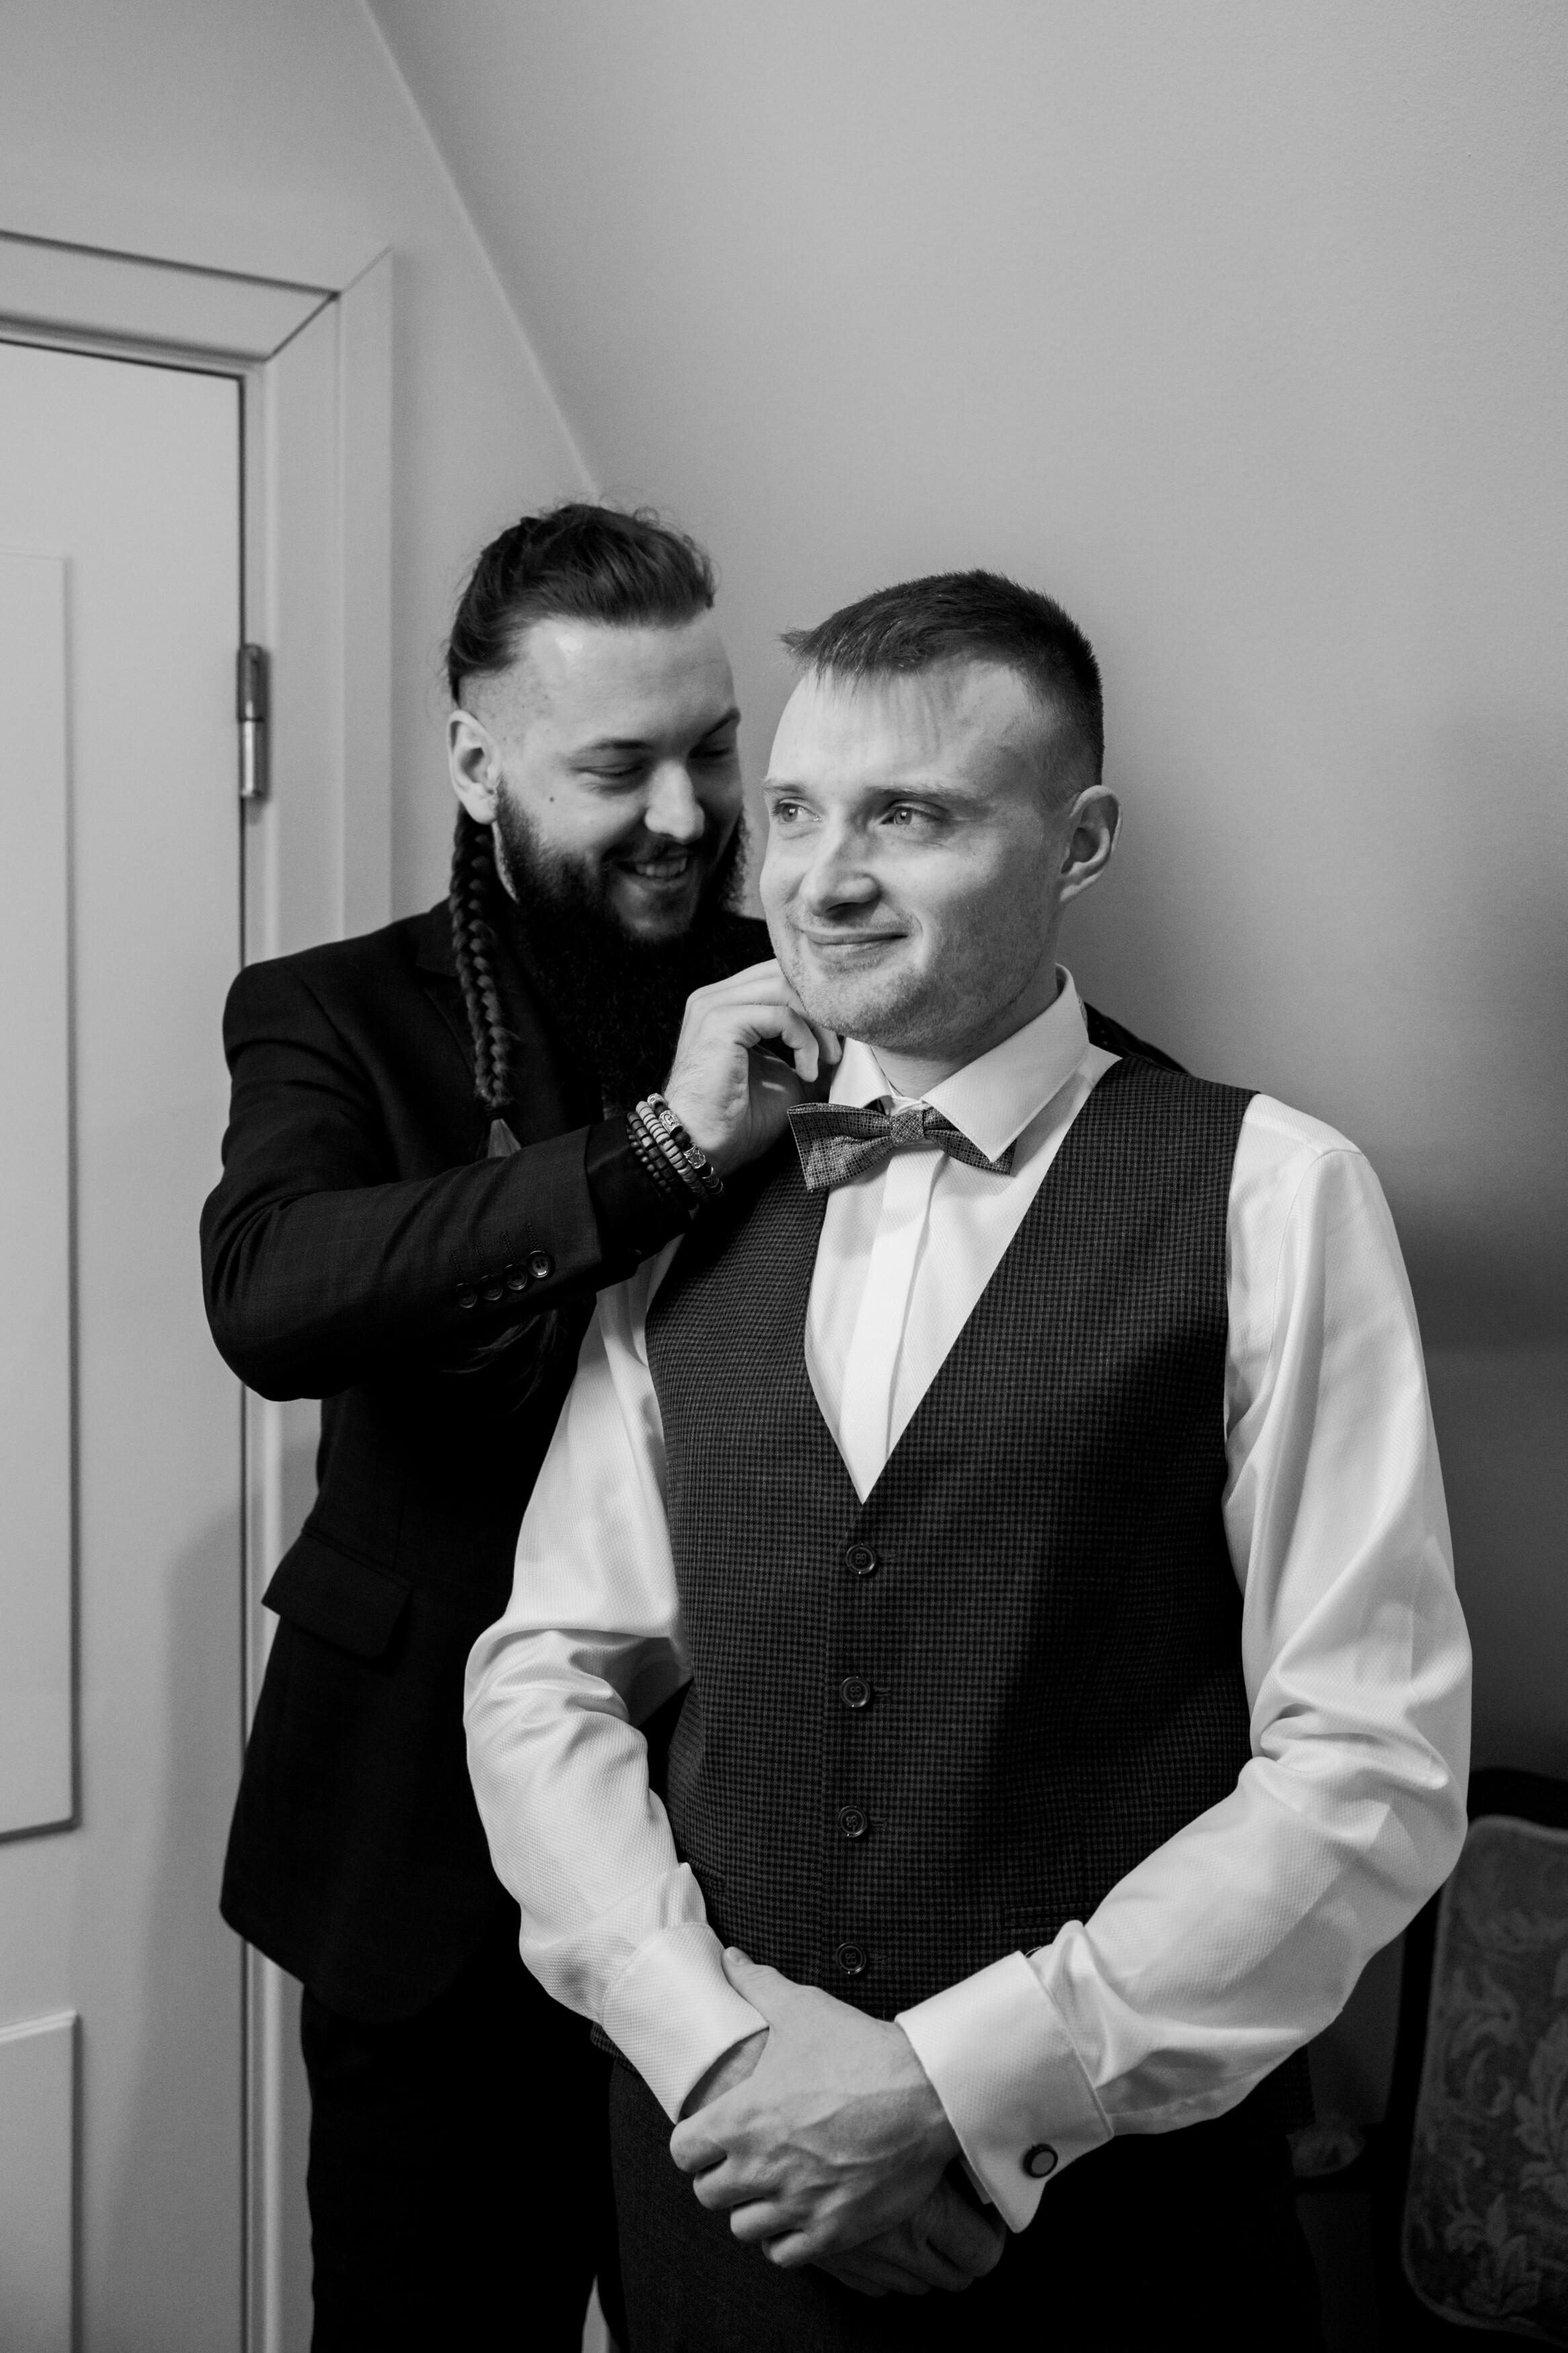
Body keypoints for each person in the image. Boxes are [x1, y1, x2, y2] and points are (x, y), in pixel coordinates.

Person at [464, 568, 1473, 2348]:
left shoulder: (1277, 1192)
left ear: (1079, 844)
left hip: (1117, 2248)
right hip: (723, 2213)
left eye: (910, 816)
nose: (820, 878)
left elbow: (1368, 1762)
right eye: (795, 811)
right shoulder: (698, 1192)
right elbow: (551, 1671)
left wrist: (948, 2087)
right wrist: (724, 2053)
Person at [202, 503, 829, 2347]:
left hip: (756, 1857)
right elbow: (271, 1290)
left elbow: (1076, 1098)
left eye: (713, 749)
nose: (686, 816)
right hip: (421, 1874)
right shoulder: (326, 1011)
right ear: (478, 763)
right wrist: (658, 1152)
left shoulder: (801, 981)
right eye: (617, 767)